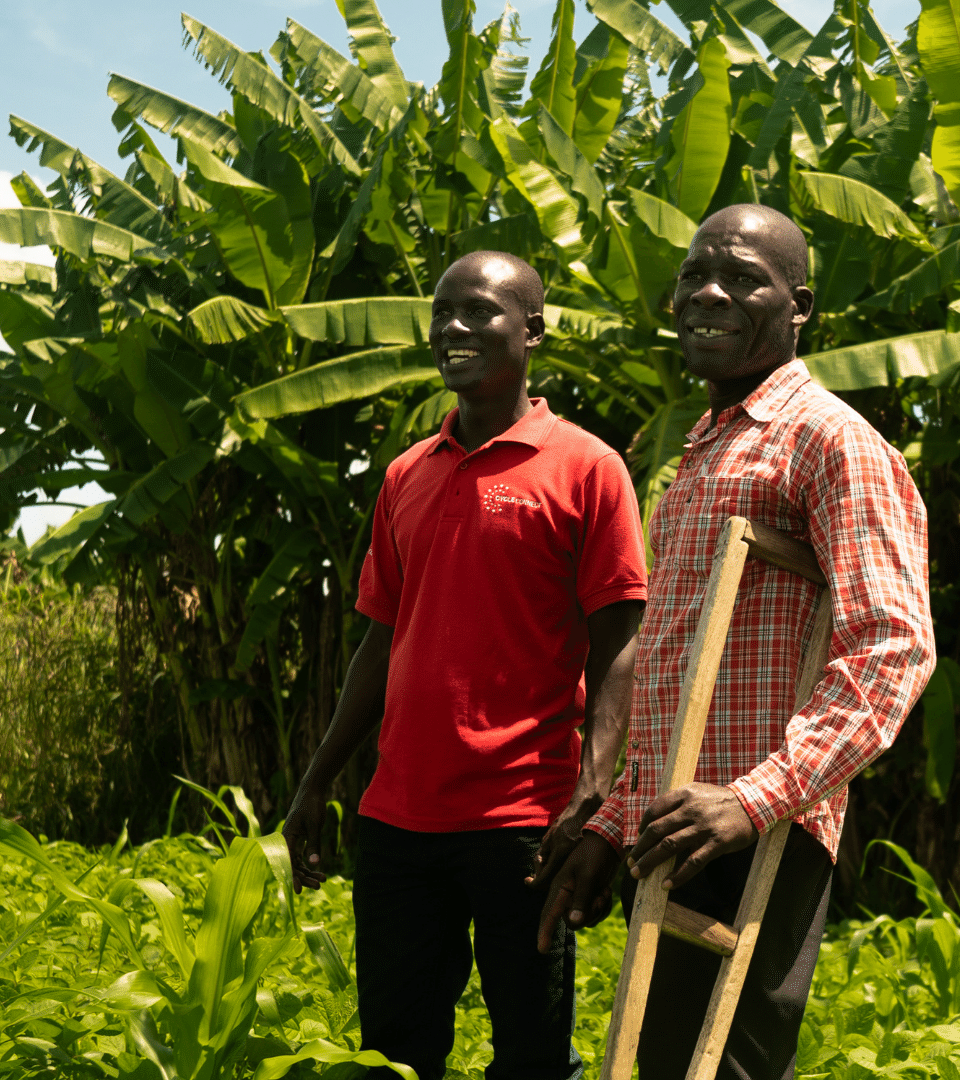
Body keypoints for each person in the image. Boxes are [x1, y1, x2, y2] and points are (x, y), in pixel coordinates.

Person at [533, 204, 936, 1079]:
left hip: (760, 828)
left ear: (800, 307)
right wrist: (617, 821)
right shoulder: (708, 450)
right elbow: (680, 666)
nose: (709, 293)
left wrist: (753, 799)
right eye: (694, 276)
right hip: (681, 824)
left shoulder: (831, 442)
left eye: (744, 278)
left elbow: (891, 647)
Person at [280, 250, 649, 1080]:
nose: (453, 327)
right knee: (395, 1057)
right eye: (442, 311)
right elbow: (381, 637)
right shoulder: (409, 472)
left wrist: (595, 790)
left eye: (479, 311)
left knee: (530, 1056)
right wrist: (318, 779)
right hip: (398, 818)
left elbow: (620, 639)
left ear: (533, 329)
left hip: (524, 820)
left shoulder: (588, 467)